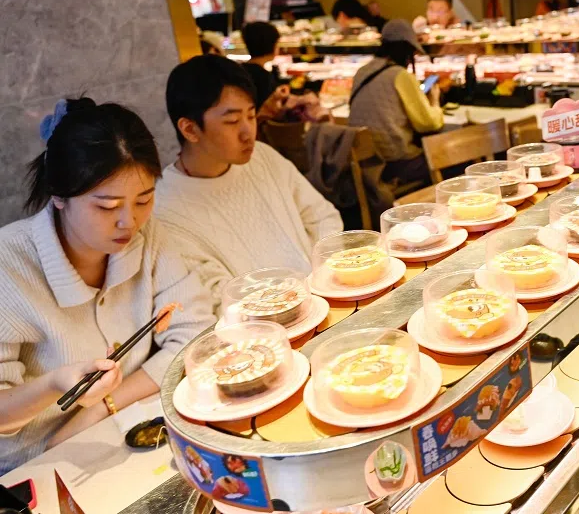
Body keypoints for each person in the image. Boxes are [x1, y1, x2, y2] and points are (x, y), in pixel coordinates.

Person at [0, 98, 215, 473]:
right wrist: (56, 384)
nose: (128, 222)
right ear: (60, 196)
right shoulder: (10, 267)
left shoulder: (147, 237)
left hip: (128, 433)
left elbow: (196, 331)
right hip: (36, 468)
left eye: (143, 200)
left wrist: (105, 404)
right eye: (106, 206)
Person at [154, 55, 343, 310]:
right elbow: (215, 297)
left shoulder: (263, 157)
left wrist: (323, 278)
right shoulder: (166, 209)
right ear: (189, 129)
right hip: (262, 332)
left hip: (325, 300)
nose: (248, 133)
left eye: (251, 116)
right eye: (232, 121)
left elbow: (323, 217)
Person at [348, 19, 443, 185]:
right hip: (395, 163)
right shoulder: (400, 75)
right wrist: (435, 101)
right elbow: (428, 124)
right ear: (407, 50)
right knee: (452, 162)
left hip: (365, 164)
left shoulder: (361, 72)